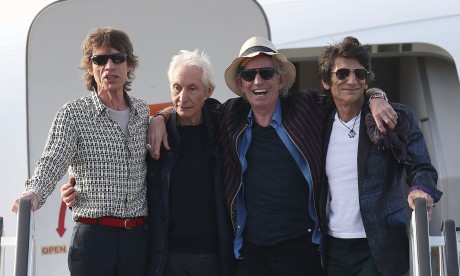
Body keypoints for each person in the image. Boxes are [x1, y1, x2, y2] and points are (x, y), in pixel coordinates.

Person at [148, 36, 397, 276]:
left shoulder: (306, 107)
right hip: (251, 253)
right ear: (242, 84)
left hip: (301, 248)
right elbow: (191, 104)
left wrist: (375, 95)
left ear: (280, 80)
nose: (258, 81)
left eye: (266, 73)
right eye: (249, 75)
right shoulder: (230, 116)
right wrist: (161, 117)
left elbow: (346, 95)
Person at [61, 49, 235, 276]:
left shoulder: (224, 130)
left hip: (215, 257)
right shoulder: (152, 133)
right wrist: (78, 190)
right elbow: (119, 170)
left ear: (208, 91)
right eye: (177, 88)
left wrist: (163, 114)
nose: (183, 97)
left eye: (192, 88)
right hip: (166, 257)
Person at [11, 27, 149, 275]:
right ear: (90, 66)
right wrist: (34, 192)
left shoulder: (143, 113)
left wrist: (163, 116)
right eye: (100, 59)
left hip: (137, 240)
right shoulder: (73, 114)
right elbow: (53, 159)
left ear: (129, 65)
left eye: (118, 58)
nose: (110, 66)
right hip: (93, 238)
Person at [317, 36, 443, 276]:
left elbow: (422, 167)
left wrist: (421, 190)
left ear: (366, 81)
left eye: (360, 74)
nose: (351, 80)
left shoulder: (393, 116)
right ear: (326, 81)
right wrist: (377, 95)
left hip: (382, 246)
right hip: (333, 248)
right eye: (342, 73)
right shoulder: (319, 121)